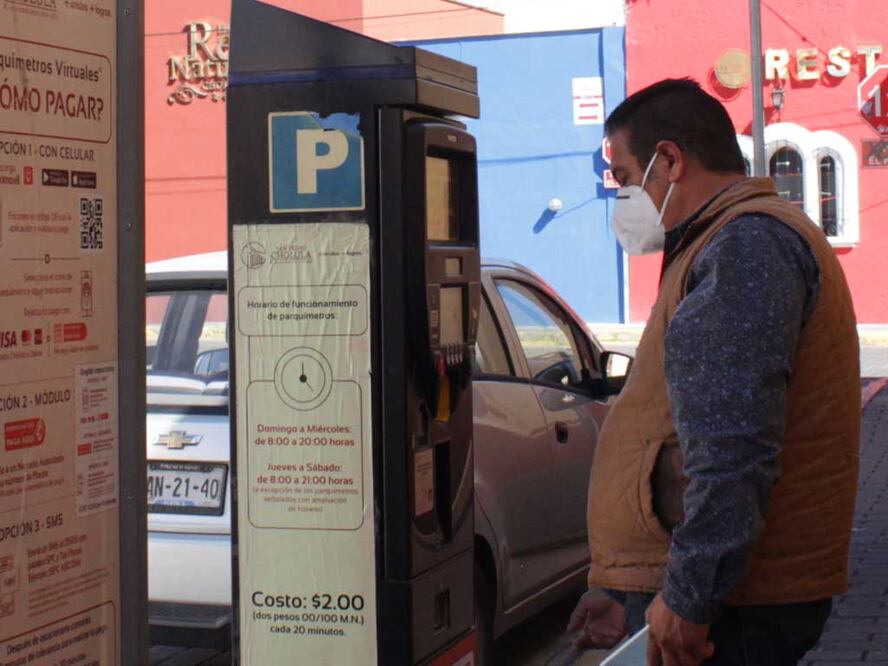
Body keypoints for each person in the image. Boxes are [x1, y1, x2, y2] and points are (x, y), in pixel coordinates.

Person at [566, 78, 860, 665]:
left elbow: (734, 443)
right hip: (720, 596)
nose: (621, 196)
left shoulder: (746, 244)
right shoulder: (722, 240)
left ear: (669, 161)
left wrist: (688, 597)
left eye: (624, 177)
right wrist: (622, 587)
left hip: (735, 609)